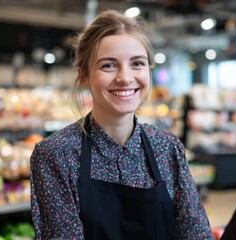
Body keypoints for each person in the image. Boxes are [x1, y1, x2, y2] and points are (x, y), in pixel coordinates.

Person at [30, 10, 214, 240]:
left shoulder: (167, 148)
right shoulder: (56, 155)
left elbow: (195, 234)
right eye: (108, 66)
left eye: (137, 63)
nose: (125, 78)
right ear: (84, 75)